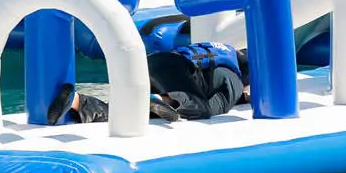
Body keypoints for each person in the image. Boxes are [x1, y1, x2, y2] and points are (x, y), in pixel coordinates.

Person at [47, 43, 250, 124]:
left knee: (128, 114)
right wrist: (238, 97)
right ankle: (159, 100)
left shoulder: (222, 51)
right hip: (172, 72)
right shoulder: (234, 78)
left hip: (149, 63)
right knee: (201, 108)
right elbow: (213, 108)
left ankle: (76, 101)